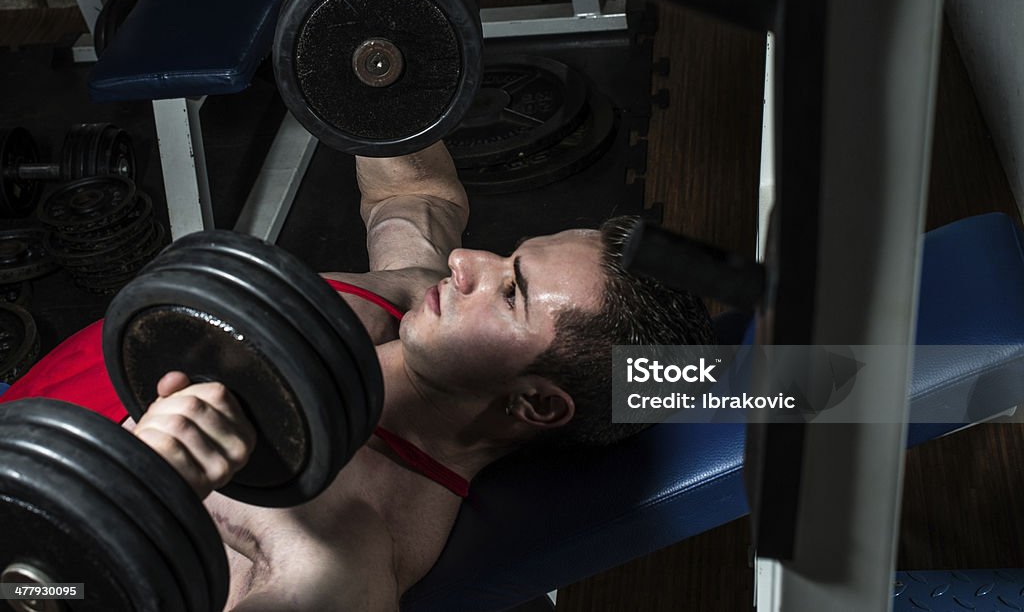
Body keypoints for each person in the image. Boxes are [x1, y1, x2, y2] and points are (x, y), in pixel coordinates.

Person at [1, 141, 713, 610]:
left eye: (511, 292)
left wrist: (132, 503)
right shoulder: (412, 297)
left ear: (534, 402)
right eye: (505, 256)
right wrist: (382, 39)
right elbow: (414, 193)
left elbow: (39, 589)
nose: (468, 264)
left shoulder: (343, 558)